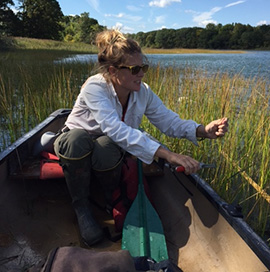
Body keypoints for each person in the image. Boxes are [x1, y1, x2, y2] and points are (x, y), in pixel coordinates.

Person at [54, 29, 228, 246]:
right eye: (135, 69)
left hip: (106, 148)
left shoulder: (142, 91)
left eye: (143, 67)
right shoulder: (95, 86)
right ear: (113, 70)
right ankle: (81, 208)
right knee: (76, 140)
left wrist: (202, 130)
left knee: (107, 146)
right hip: (76, 142)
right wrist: (167, 154)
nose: (142, 74)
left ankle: (109, 198)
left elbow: (169, 122)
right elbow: (115, 128)